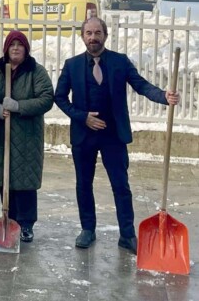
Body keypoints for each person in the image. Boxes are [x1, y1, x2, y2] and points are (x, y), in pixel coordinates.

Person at [55, 16, 179, 253]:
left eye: (97, 33)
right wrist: (83, 117)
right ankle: (87, 229)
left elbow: (141, 85)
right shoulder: (72, 65)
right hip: (84, 135)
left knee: (121, 185)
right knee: (84, 184)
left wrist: (164, 96)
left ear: (105, 35)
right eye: (89, 33)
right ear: (82, 36)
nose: (93, 37)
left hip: (113, 135)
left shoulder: (120, 62)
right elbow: (59, 98)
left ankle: (127, 234)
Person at [0, 30, 54, 243]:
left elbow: (46, 98)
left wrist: (19, 106)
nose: (15, 48)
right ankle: (9, 218)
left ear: (26, 49)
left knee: (25, 181)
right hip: (1, 135)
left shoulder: (35, 71)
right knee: (4, 177)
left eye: (20, 44)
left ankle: (26, 223)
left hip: (26, 136)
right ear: (6, 49)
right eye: (12, 45)